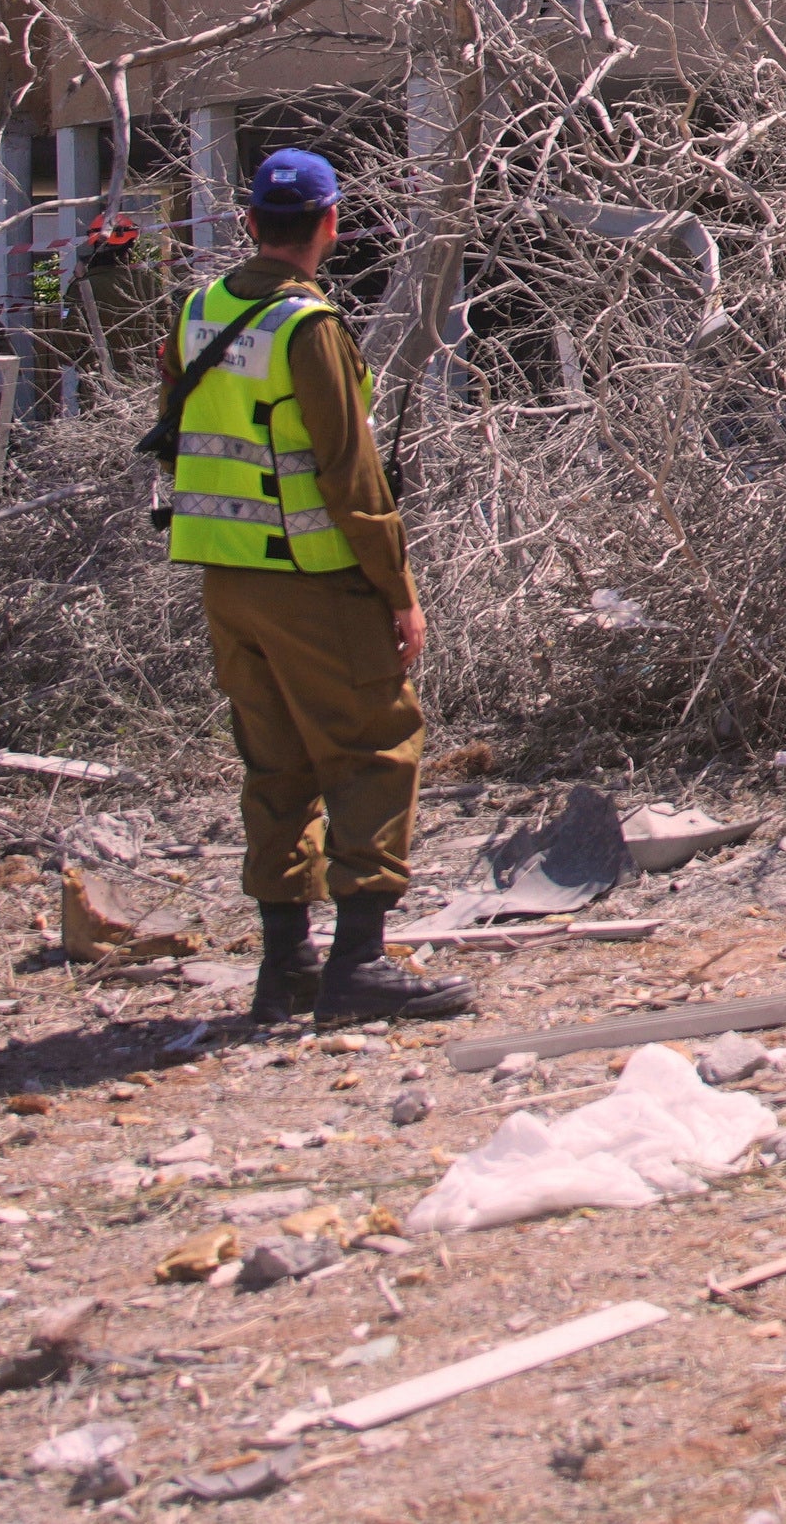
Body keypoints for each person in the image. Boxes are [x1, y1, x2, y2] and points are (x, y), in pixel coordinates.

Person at [161, 150, 471, 1029]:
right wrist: (399, 590)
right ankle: (359, 964)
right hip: (313, 575)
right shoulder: (309, 327)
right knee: (377, 746)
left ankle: (284, 965)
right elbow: (351, 476)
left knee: (276, 763)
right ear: (332, 223)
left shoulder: (196, 313)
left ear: (250, 221)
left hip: (226, 576)